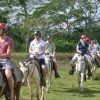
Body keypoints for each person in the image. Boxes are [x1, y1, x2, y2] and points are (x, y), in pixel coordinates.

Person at [0, 23, 14, 100]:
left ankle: (11, 93)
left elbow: (8, 54)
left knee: (8, 75)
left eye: (0, 29)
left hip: (6, 61)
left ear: (4, 30)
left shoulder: (9, 40)